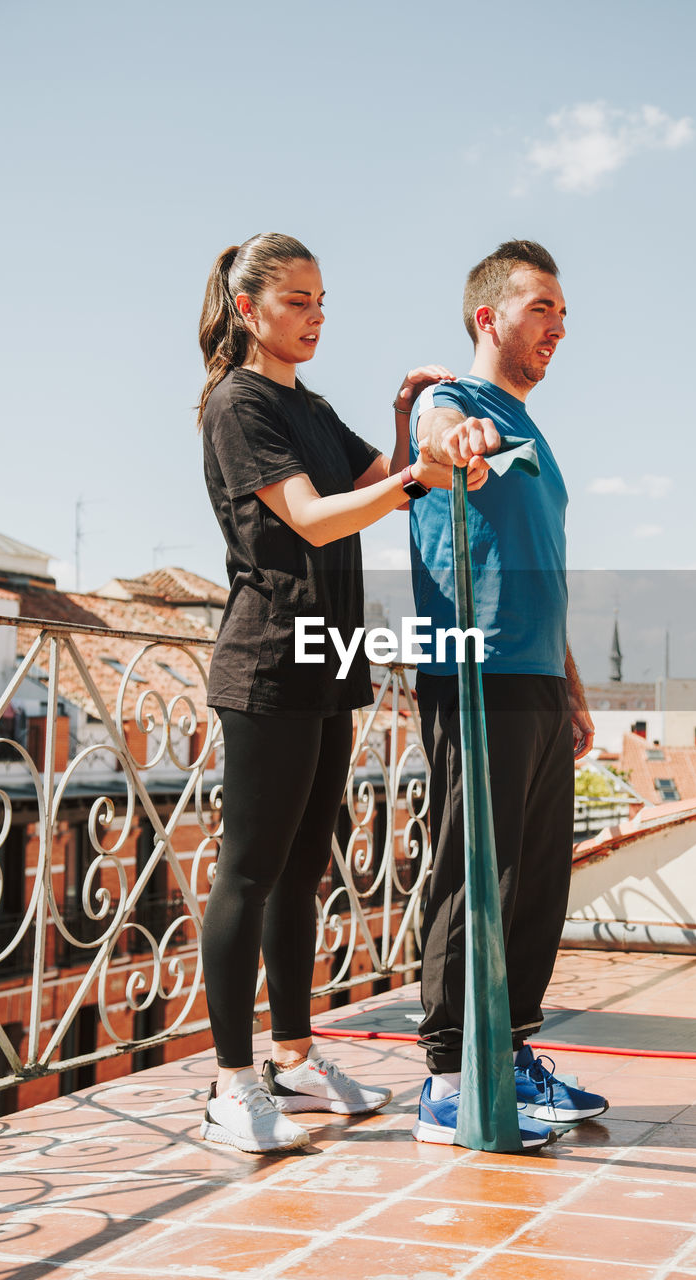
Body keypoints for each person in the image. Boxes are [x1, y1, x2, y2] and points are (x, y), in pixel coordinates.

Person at [196, 232, 487, 1155]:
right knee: (248, 872)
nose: (315, 317)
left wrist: (410, 422)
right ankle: (232, 1084)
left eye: (322, 301)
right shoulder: (237, 405)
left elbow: (375, 478)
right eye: (296, 302)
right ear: (248, 309)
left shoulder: (308, 406)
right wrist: (410, 477)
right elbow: (317, 518)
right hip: (267, 663)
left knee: (303, 871)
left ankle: (291, 1056)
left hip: (331, 658)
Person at [407, 239, 609, 1149]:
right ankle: (449, 1080)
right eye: (540, 309)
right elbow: (433, 444)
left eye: (562, 313)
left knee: (534, 883)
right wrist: (450, 442)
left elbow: (538, 568)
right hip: (473, 674)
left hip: (532, 677)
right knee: (472, 876)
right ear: (489, 318)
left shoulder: (535, 427)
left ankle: (513, 1057)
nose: (557, 326)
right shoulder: (451, 400)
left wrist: (568, 684)